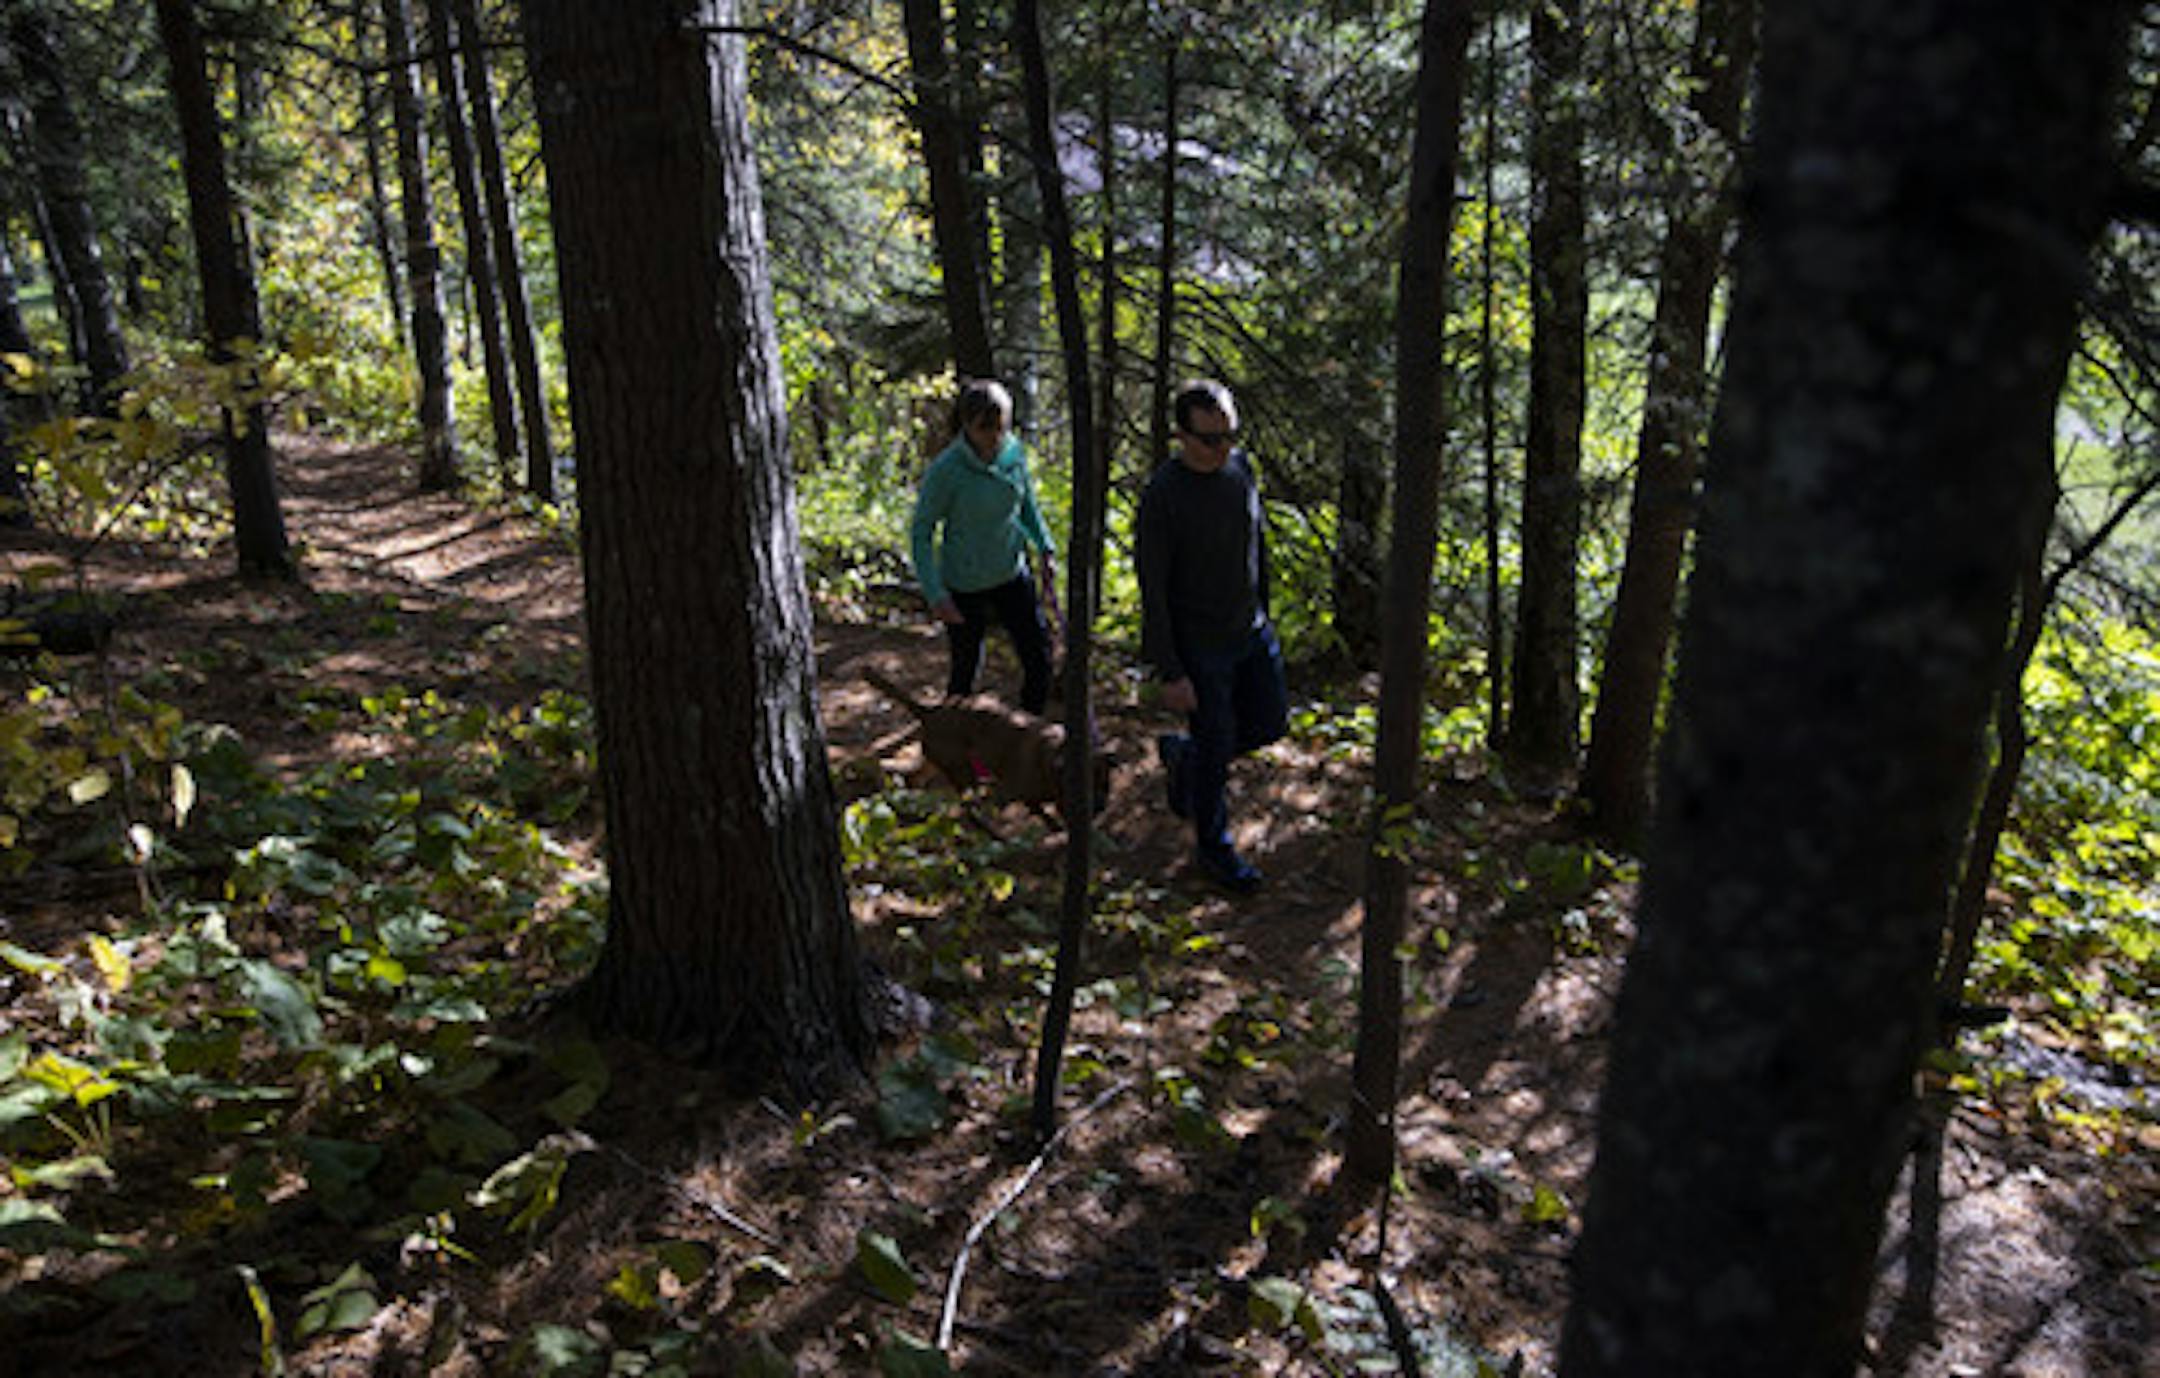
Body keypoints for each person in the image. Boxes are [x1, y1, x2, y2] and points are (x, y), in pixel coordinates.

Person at [1136, 379, 1287, 893]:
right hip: (1199, 646)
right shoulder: (1163, 496)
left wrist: (1264, 610)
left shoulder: (1240, 470)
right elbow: (1152, 590)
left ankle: (1186, 756)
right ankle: (1214, 849)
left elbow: (1255, 544)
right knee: (1217, 745)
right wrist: (1171, 670)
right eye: (1210, 439)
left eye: (1230, 436)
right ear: (1181, 436)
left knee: (1268, 724)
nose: (1223, 448)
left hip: (1250, 630)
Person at [908, 378, 1058, 715]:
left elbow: (1026, 504)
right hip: (964, 584)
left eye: (1001, 426)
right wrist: (935, 594)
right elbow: (921, 532)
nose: (994, 436)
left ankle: (1025, 738)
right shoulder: (946, 471)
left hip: (1011, 572)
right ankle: (955, 750)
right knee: (965, 675)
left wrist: (1044, 547)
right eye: (984, 428)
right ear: (966, 425)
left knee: (1039, 660)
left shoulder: (1013, 453)